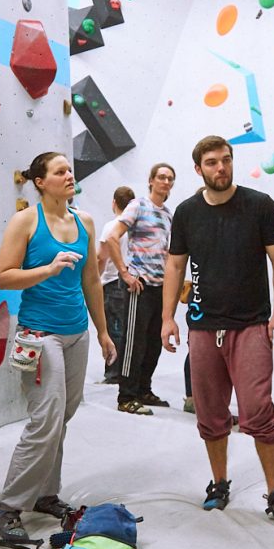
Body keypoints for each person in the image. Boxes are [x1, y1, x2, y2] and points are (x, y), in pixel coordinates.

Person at [161, 135, 274, 528]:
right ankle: (219, 483)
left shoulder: (258, 205)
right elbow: (174, 266)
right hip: (203, 329)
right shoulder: (186, 213)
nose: (221, 168)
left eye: (226, 160)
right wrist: (168, 317)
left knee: (257, 410)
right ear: (198, 169)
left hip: (251, 325)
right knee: (210, 413)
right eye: (211, 162)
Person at [0, 152, 117, 546]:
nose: (69, 175)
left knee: (63, 414)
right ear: (40, 181)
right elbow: (3, 277)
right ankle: (8, 506)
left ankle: (46, 494)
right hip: (39, 334)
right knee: (45, 418)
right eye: (60, 171)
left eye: (70, 170)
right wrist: (47, 268)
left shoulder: (85, 221)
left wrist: (103, 332)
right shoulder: (26, 221)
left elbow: (92, 281)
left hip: (77, 332)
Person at [105, 163, 176, 415]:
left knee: (153, 343)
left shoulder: (168, 214)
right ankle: (126, 396)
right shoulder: (138, 205)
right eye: (161, 177)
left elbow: (169, 253)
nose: (165, 182)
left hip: (160, 286)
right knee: (133, 342)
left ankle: (144, 390)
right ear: (151, 181)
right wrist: (124, 273)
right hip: (139, 284)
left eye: (170, 178)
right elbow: (113, 237)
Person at [98, 186, 136, 384]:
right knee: (129, 328)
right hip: (132, 282)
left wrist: (94, 280)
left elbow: (101, 257)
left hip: (113, 283)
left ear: (114, 202)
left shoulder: (111, 226)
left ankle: (113, 373)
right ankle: (128, 370)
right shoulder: (136, 227)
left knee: (114, 329)